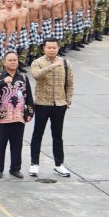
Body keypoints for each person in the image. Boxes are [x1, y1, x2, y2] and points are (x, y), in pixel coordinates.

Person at [29, 38, 74, 177]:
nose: (52, 50)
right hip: (42, 103)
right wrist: (51, 67)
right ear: (44, 48)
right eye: (49, 47)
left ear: (58, 48)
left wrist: (68, 100)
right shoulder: (37, 62)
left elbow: (70, 83)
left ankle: (59, 165)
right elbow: (36, 75)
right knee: (38, 134)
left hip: (59, 104)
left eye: (54, 47)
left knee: (57, 136)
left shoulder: (65, 63)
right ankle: (34, 164)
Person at [0, 51, 34, 179]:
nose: (13, 62)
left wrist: (30, 112)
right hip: (2, 117)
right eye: (10, 60)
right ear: (4, 62)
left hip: (19, 117)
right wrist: (3, 81)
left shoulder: (23, 77)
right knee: (0, 144)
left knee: (17, 145)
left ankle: (15, 168)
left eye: (15, 60)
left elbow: (29, 96)